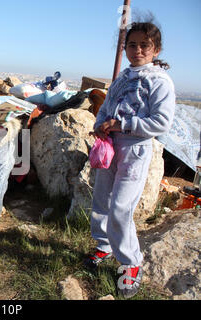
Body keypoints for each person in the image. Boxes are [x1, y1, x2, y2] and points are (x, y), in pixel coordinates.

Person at [85, 22, 175, 299]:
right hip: (110, 147)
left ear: (155, 49)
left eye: (144, 45)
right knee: (101, 198)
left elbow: (161, 122)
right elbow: (106, 108)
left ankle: (130, 263)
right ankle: (103, 245)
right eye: (132, 45)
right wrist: (100, 124)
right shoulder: (124, 77)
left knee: (122, 207)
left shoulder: (159, 81)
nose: (137, 50)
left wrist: (122, 124)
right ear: (125, 48)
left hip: (134, 151)